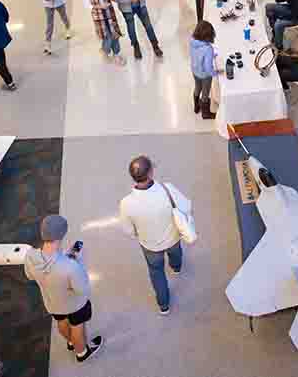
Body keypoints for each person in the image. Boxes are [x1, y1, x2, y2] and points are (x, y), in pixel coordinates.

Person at [119, 155, 192, 315]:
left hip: (150, 245)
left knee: (156, 272)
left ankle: (164, 305)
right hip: (173, 238)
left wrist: (138, 234)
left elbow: (128, 230)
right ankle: (176, 268)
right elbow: (186, 206)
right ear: (151, 173)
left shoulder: (126, 203)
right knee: (175, 252)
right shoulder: (168, 189)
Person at [24, 215, 102, 363]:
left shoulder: (30, 256)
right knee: (77, 327)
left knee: (61, 321)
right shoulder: (70, 267)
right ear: (61, 235)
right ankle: (82, 352)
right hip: (74, 304)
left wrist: (66, 259)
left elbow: (30, 276)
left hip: (53, 303)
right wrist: (77, 262)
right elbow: (82, 290)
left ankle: (71, 342)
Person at [80, 0, 126, 65]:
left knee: (115, 34)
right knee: (107, 37)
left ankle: (117, 55)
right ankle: (105, 50)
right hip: (98, 17)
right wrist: (100, 6)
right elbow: (87, 5)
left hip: (110, 14)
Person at [190, 20, 219, 120]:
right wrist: (215, 74)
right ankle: (205, 114)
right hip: (205, 76)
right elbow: (208, 68)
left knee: (197, 87)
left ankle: (196, 107)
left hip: (195, 70)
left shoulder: (193, 40)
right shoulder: (208, 49)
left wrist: (210, 56)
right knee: (205, 93)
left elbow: (198, 54)